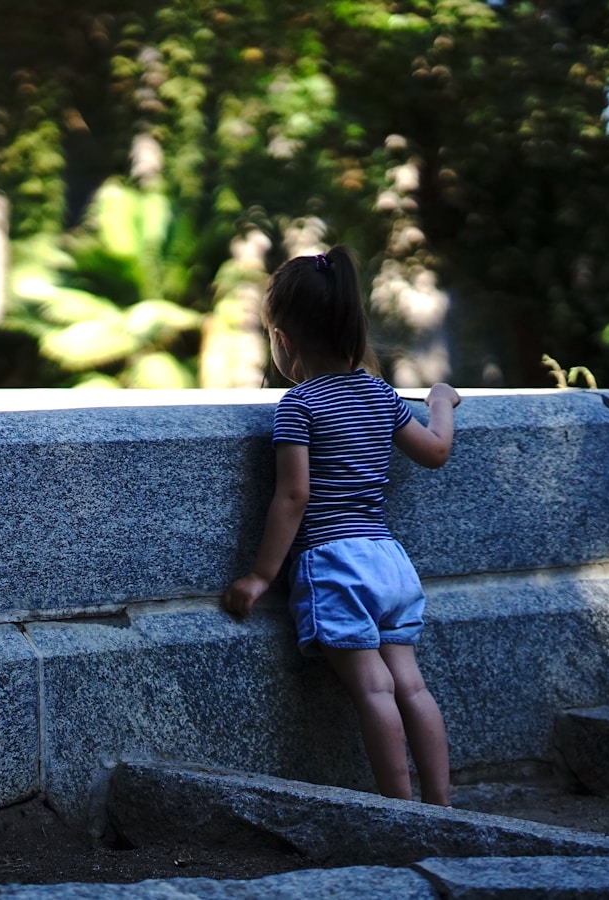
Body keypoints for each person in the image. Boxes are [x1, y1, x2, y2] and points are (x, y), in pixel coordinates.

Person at [221, 246, 458, 806]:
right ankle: (443, 807)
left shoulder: (299, 406)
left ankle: (401, 812)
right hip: (389, 562)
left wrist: (258, 576)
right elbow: (436, 451)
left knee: (373, 689)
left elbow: (293, 495)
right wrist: (441, 400)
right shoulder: (380, 393)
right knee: (411, 686)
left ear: (282, 338)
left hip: (337, 565)